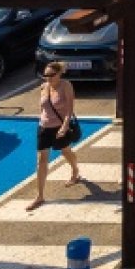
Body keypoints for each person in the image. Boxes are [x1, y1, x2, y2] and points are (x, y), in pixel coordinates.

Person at [29, 62, 83, 210]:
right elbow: (42, 108)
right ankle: (40, 195)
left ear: (59, 74)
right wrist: (41, 120)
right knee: (41, 159)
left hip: (59, 127)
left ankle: (75, 170)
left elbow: (69, 109)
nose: (49, 78)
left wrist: (65, 126)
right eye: (46, 75)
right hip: (44, 127)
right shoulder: (43, 87)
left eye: (52, 75)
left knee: (65, 151)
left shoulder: (66, 86)